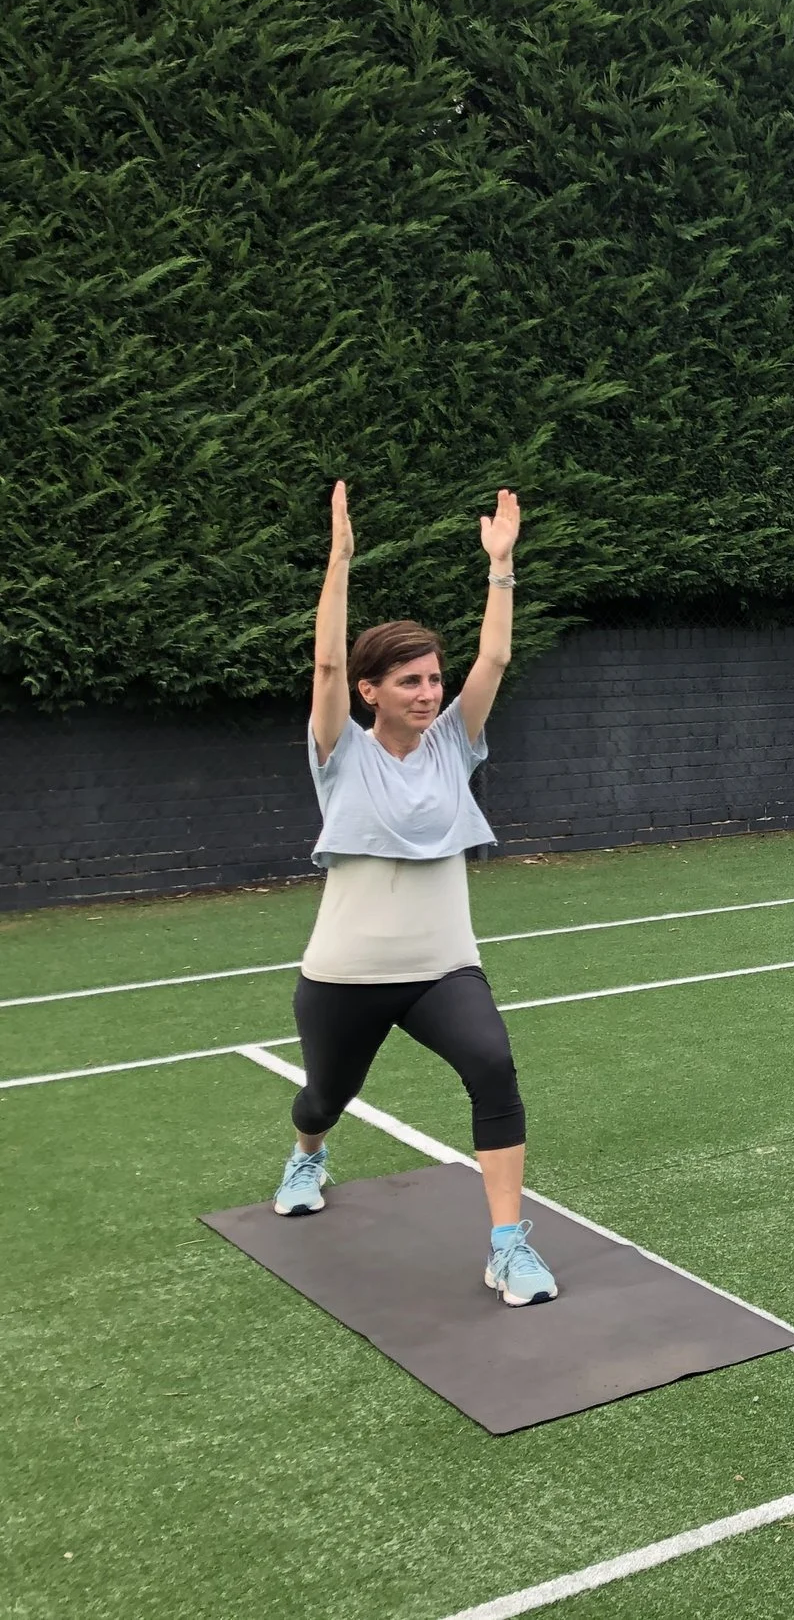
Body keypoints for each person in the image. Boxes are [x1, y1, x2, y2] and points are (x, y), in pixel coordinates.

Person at [271, 480, 561, 1307]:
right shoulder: (339, 753)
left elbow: (496, 659)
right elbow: (326, 659)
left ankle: (506, 1245)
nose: (429, 691)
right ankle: (308, 1151)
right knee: (326, 1094)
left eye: (433, 678)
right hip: (344, 971)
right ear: (370, 691)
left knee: (493, 1064)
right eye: (409, 682)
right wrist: (339, 560)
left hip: (443, 966)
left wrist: (501, 567)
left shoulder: (453, 747)